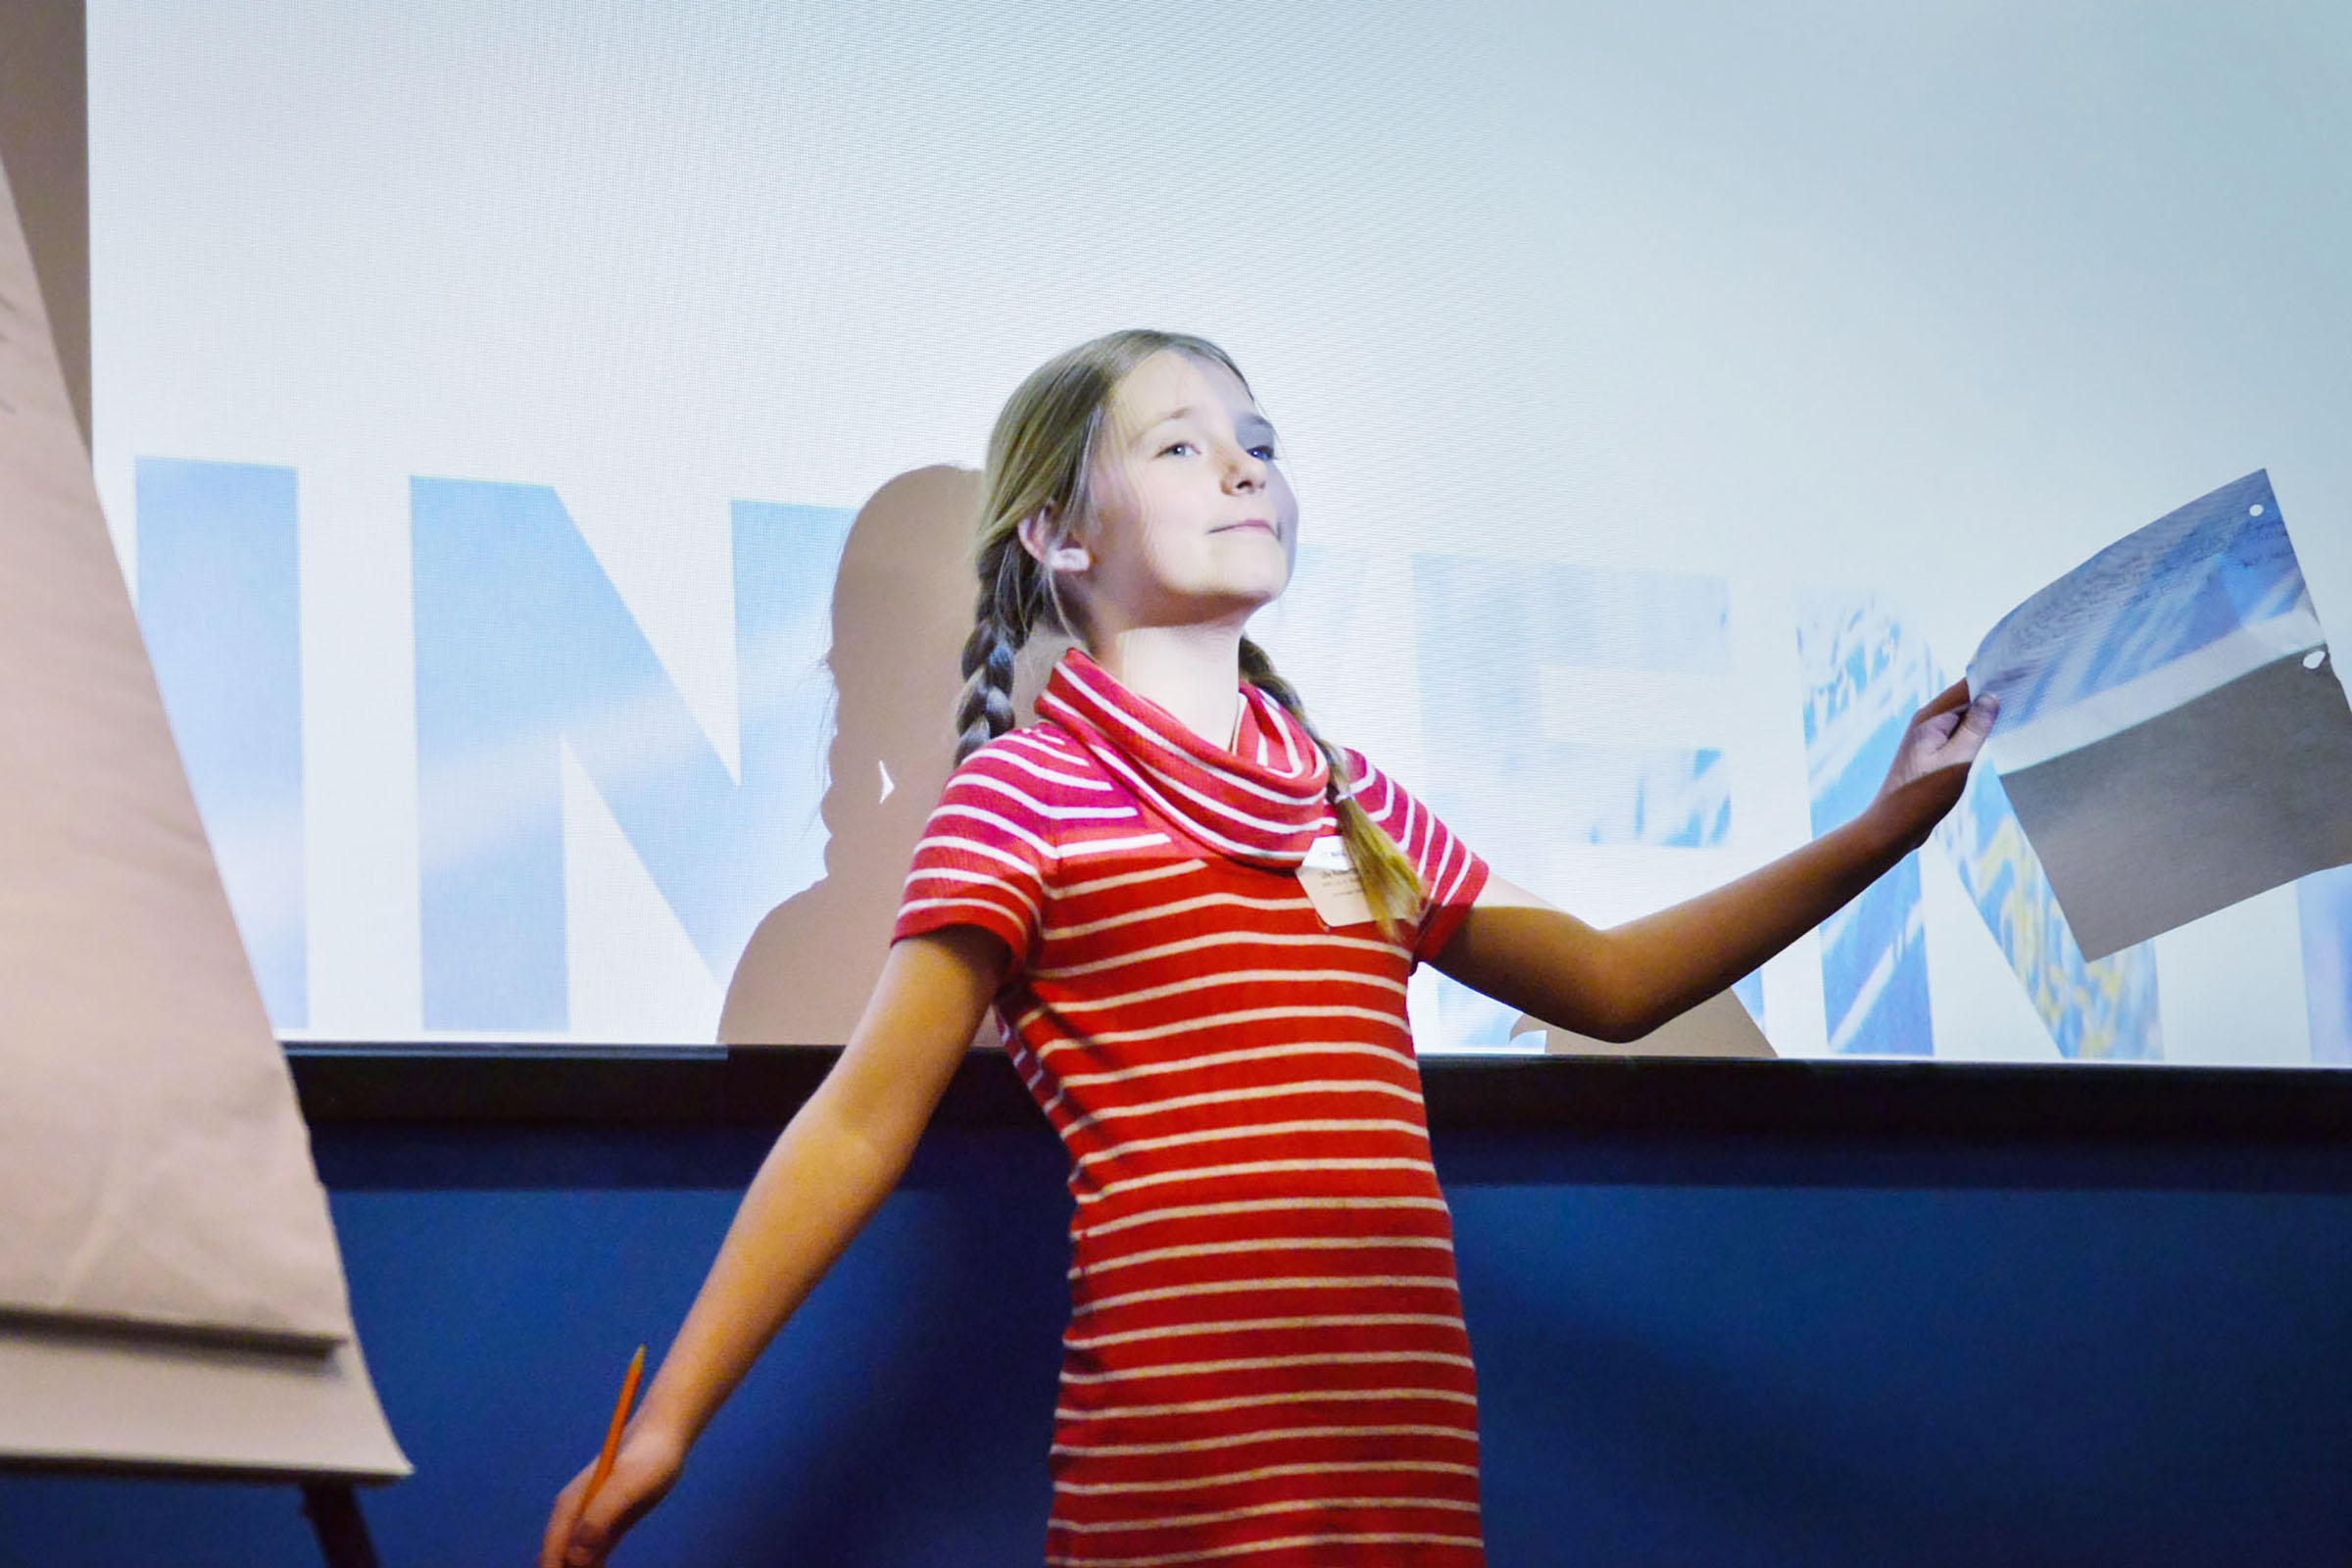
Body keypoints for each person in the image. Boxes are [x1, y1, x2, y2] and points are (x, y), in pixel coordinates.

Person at [541, 329, 1995, 1567]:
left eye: (1259, 443)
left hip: (1406, 1480)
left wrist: (1883, 830)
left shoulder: (1353, 808)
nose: (1243, 469)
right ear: (1057, 536)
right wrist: (667, 1427)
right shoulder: (1024, 797)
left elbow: (1611, 987)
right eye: (1180, 447)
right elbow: (860, 1121)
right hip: (1177, 1489)